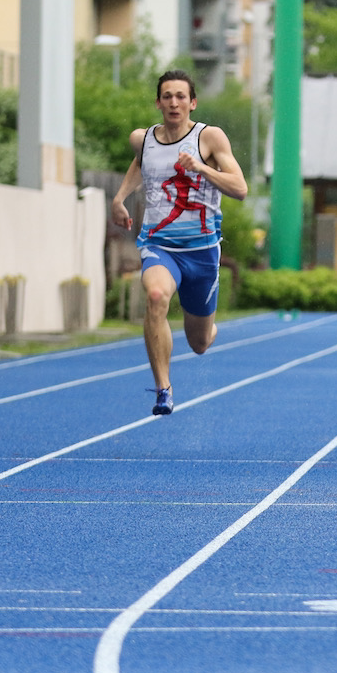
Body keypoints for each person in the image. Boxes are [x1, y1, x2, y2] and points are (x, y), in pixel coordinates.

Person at [111, 70, 247, 416]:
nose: (174, 102)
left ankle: (210, 329)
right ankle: (163, 389)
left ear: (192, 102)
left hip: (202, 252)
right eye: (167, 96)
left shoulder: (209, 138)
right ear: (158, 103)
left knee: (199, 343)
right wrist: (120, 198)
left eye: (180, 96)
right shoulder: (142, 139)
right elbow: (142, 163)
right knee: (156, 296)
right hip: (159, 245)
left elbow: (240, 188)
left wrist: (201, 168)